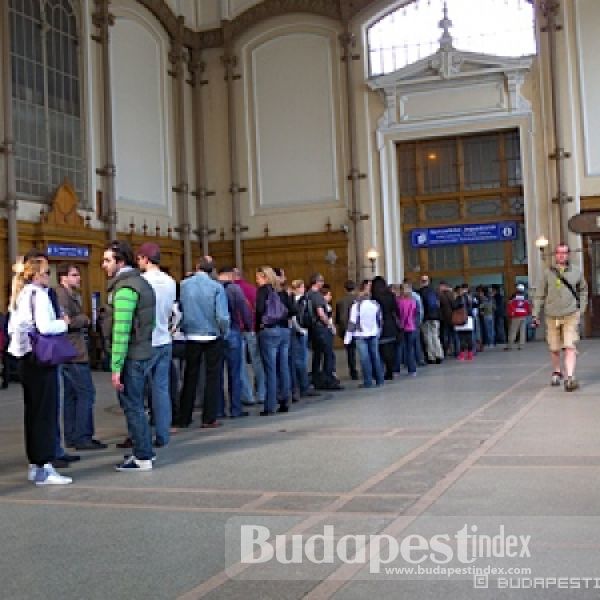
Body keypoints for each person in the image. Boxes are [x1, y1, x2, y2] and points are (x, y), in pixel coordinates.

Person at [8, 254, 72, 485]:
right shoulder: (39, 295)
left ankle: (36, 464)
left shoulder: (20, 294)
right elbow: (45, 326)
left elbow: (14, 328)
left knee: (33, 413)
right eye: (46, 273)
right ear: (35, 275)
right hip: (42, 359)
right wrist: (63, 323)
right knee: (46, 413)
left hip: (26, 358)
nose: (48, 277)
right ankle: (45, 465)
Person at [102, 240, 156, 471]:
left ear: (120, 262)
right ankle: (144, 452)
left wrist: (116, 366)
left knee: (133, 407)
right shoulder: (140, 283)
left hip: (131, 357)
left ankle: (142, 456)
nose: (103, 264)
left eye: (107, 260)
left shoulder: (125, 289)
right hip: (143, 351)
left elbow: (121, 331)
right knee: (137, 405)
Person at [55, 263, 107, 451]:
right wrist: (84, 319)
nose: (79, 278)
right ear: (64, 277)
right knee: (86, 394)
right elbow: (65, 322)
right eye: (74, 275)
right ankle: (83, 436)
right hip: (74, 352)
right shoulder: (61, 295)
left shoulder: (69, 295)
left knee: (71, 396)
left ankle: (72, 436)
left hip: (70, 352)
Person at [175, 257, 230, 428]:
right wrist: (223, 331)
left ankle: (184, 417)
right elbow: (222, 315)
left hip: (191, 335)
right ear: (211, 270)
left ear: (197, 267)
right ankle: (209, 417)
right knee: (212, 377)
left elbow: (180, 309)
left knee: (190, 377)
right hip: (212, 335)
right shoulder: (216, 287)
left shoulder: (184, 285)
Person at [532, 243, 588, 391]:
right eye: (558, 253)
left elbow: (583, 290)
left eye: (564, 253)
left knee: (570, 345)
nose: (561, 255)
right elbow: (539, 295)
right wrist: (535, 314)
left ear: (568, 254)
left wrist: (581, 310)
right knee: (554, 347)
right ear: (555, 255)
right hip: (551, 315)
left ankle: (570, 377)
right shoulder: (547, 273)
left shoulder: (576, 272)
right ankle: (557, 370)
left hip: (570, 314)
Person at [137, 242, 176, 447]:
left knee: (138, 391)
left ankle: (140, 434)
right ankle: (163, 434)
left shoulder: (141, 281)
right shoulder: (170, 281)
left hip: (146, 342)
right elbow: (173, 312)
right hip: (164, 339)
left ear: (145, 259)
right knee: (161, 389)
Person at [255, 266, 292, 415]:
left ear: (265, 277)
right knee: (283, 367)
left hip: (269, 331)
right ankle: (284, 401)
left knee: (270, 369)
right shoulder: (282, 291)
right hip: (284, 331)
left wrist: (260, 324)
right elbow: (293, 310)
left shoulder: (263, 291)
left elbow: (259, 310)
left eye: (258, 277)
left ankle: (270, 406)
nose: (256, 281)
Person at [217, 266, 253, 418]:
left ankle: (219, 409)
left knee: (217, 374)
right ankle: (235, 408)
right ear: (230, 275)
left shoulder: (214, 287)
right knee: (235, 373)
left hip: (217, 334)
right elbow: (243, 309)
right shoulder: (234, 289)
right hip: (233, 331)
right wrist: (248, 326)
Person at [344, 281, 384, 388]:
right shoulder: (375, 304)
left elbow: (352, 323)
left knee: (365, 359)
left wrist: (347, 339)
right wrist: (379, 331)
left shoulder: (356, 306)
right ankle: (380, 379)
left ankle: (368, 381)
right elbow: (380, 319)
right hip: (373, 333)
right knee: (375, 356)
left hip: (360, 334)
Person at [371, 276, 402, 380]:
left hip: (378, 325)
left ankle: (379, 371)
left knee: (380, 350)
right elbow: (396, 310)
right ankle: (390, 370)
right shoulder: (391, 296)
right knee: (390, 350)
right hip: (391, 324)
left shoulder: (374, 298)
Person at [335, 281, 359, 380]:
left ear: (345, 289)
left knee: (350, 352)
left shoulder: (340, 301)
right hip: (358, 329)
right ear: (355, 288)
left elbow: (339, 318)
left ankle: (353, 371)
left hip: (346, 329)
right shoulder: (358, 299)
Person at [418, 275, 444, 363]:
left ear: (421, 282)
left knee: (428, 337)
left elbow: (420, 307)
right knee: (435, 336)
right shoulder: (434, 291)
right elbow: (438, 304)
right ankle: (439, 355)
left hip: (426, 317)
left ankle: (431, 357)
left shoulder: (420, 292)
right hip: (436, 317)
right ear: (428, 281)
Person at [396, 283, 418, 376]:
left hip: (401, 327)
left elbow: (400, 314)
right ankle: (412, 369)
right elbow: (414, 314)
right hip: (411, 326)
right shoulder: (413, 301)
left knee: (399, 348)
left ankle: (396, 369)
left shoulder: (398, 301)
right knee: (410, 349)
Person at [505, 284, 531, 351]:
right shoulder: (526, 297)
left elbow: (509, 304)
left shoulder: (513, 297)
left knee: (513, 331)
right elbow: (529, 306)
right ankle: (521, 346)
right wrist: (528, 313)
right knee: (522, 331)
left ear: (517, 289)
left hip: (516, 316)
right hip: (524, 316)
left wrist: (510, 314)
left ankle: (510, 346)